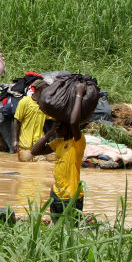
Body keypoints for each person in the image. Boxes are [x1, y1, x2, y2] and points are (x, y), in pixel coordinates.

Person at [30, 85, 91, 217]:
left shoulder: (77, 142)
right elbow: (35, 151)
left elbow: (74, 121)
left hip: (72, 196)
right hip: (56, 194)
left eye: (59, 126)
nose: (57, 128)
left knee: (71, 231)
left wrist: (79, 94)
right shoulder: (58, 143)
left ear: (68, 127)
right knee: (56, 231)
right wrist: (49, 133)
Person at [12, 88, 52, 162]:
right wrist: (15, 140)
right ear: (39, 91)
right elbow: (17, 120)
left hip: (40, 146)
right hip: (25, 147)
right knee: (25, 169)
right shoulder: (24, 102)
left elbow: (54, 116)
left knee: (42, 168)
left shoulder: (44, 105)